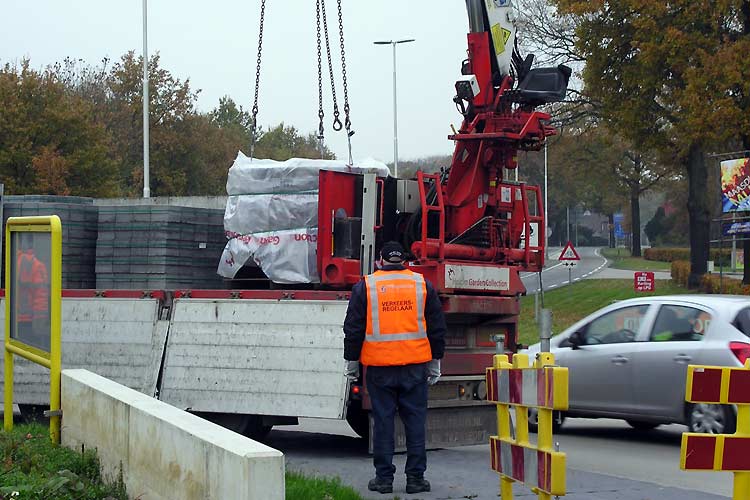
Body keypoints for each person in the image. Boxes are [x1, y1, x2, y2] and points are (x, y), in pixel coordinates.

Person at [343, 241, 446, 495]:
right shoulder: (422, 285)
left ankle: (383, 479)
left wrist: (351, 362)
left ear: (380, 260)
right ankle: (416, 479)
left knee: (383, 422)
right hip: (415, 366)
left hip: (380, 368)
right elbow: (437, 327)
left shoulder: (366, 286)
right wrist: (436, 361)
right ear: (405, 261)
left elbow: (353, 328)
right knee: (415, 421)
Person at [15, 232, 50, 351]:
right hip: (27, 320)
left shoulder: (13, 261)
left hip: (15, 318)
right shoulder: (36, 265)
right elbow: (41, 294)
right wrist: (41, 319)